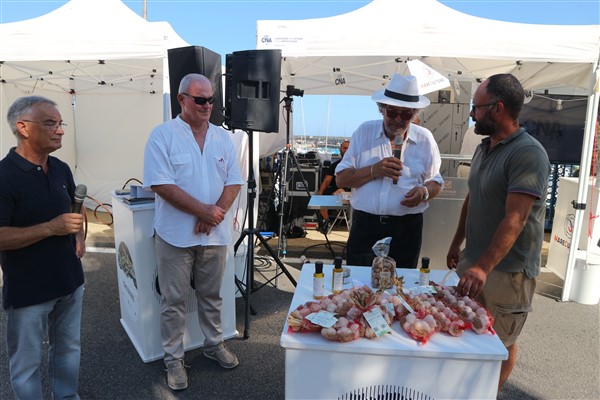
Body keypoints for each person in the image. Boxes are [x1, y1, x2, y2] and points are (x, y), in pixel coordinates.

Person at [446, 74, 550, 392]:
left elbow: (516, 218)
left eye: (476, 108)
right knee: (467, 332)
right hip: (475, 263)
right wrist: (457, 242)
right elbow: (473, 197)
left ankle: (489, 394)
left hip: (506, 272)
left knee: (500, 341)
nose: (472, 114)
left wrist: (483, 267)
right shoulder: (484, 148)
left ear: (498, 108)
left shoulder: (528, 154)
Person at [143, 73, 244, 391]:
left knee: (212, 296)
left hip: (214, 234)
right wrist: (203, 211)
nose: (207, 105)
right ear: (181, 99)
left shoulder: (222, 137)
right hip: (174, 236)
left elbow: (234, 181)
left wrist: (213, 215)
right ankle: (173, 359)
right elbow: (161, 184)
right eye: (200, 99)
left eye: (211, 100)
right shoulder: (162, 136)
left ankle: (213, 344)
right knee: (173, 300)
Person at [0, 96, 86, 400]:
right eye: (50, 123)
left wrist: (80, 238)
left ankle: (67, 396)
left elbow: (76, 208)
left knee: (68, 348)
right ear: (23, 127)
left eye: (60, 123)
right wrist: (51, 228)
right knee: (26, 364)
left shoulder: (60, 168)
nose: (60, 130)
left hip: (70, 282)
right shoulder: (4, 176)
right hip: (29, 291)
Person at [336, 74, 444, 268]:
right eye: (392, 112)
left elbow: (436, 182)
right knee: (360, 280)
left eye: (406, 114)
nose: (398, 119)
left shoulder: (425, 139)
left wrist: (424, 192)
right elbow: (341, 179)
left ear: (414, 115)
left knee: (402, 282)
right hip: (366, 227)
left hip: (406, 229)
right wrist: (374, 170)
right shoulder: (364, 132)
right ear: (382, 109)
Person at [317, 140, 350, 220]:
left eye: (348, 148)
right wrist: (320, 192)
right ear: (340, 149)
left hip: (352, 190)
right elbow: (327, 180)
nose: (346, 150)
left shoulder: (357, 165)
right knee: (321, 201)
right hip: (335, 189)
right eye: (344, 148)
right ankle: (327, 222)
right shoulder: (334, 165)